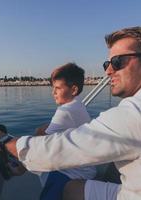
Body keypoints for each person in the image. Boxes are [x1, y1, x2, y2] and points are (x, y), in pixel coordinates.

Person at [0, 26, 141, 200]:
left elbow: (59, 150)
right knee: (72, 189)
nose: (109, 70)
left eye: (118, 62)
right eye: (107, 63)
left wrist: (5, 140)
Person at [35, 63, 97, 200]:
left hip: (75, 172)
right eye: (53, 88)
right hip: (85, 168)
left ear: (73, 90)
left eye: (57, 88)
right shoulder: (77, 104)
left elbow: (41, 142)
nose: (53, 92)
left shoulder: (65, 110)